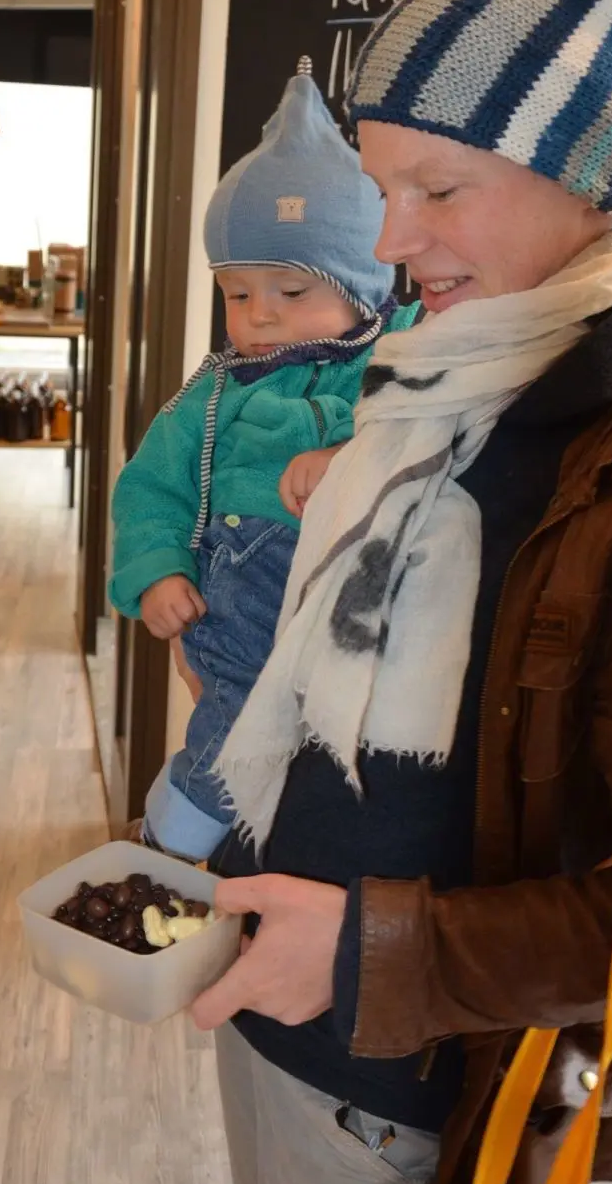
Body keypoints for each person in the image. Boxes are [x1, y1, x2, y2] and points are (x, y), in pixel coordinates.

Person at [191, 0, 612, 1184]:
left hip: (413, 1102)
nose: (388, 243)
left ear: (597, 180)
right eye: (380, 188)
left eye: (438, 189)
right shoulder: (449, 375)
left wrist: (363, 957)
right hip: (286, 1009)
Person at [108, 59, 417, 861]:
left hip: (357, 599)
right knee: (240, 721)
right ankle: (173, 843)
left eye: (291, 292)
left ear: (363, 283)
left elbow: (435, 427)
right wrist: (156, 572)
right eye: (238, 294)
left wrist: (346, 455)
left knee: (333, 746)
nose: (261, 317)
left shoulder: (402, 356)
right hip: (246, 593)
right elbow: (150, 490)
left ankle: (257, 844)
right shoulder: (212, 396)